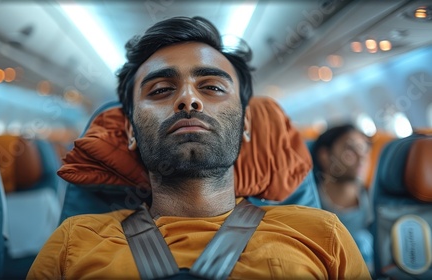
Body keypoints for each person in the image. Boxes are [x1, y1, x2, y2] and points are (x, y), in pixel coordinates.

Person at [27, 16, 371, 279]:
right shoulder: (72, 242)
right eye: (161, 90)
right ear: (130, 131)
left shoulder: (324, 235)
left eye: (212, 87)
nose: (188, 99)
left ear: (246, 125)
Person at [312, 124, 374, 274]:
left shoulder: (378, 204)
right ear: (325, 156)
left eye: (364, 148)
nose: (361, 156)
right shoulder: (308, 206)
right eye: (350, 149)